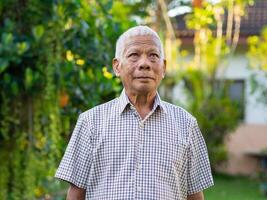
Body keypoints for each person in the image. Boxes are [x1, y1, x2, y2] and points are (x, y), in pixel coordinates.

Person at [55, 25, 214, 200]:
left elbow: (195, 195)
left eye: (153, 56)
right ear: (117, 66)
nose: (144, 64)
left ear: (164, 67)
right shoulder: (90, 122)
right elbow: (76, 194)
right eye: (134, 55)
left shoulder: (186, 124)